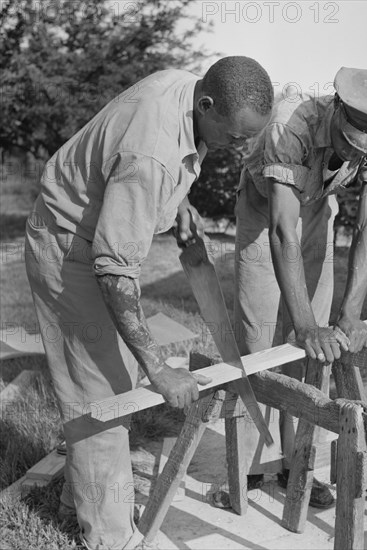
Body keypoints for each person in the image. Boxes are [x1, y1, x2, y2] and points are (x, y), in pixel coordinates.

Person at [24, 56, 273, 550]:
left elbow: (156, 155)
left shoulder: (185, 89)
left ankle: (82, 500)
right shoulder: (152, 155)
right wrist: (160, 368)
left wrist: (176, 201)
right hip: (69, 247)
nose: (241, 146)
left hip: (92, 235)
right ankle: (113, 539)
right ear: (207, 104)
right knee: (101, 394)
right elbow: (115, 269)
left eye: (250, 136)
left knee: (111, 379)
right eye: (236, 135)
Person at [232, 67, 367, 507]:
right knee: (261, 339)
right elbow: (281, 231)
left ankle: (297, 463)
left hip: (317, 208)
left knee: (316, 353)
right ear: (336, 110)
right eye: (356, 138)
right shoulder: (290, 124)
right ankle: (255, 465)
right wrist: (304, 323)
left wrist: (350, 314)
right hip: (264, 211)